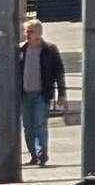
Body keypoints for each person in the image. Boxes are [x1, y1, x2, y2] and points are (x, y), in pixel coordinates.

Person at [20, 21, 67, 166]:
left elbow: (59, 72)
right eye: (26, 31)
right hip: (24, 94)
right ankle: (33, 155)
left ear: (39, 33)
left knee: (40, 124)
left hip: (42, 93)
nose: (27, 34)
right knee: (28, 126)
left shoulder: (50, 50)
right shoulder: (21, 49)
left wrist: (61, 93)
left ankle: (42, 153)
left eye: (31, 31)